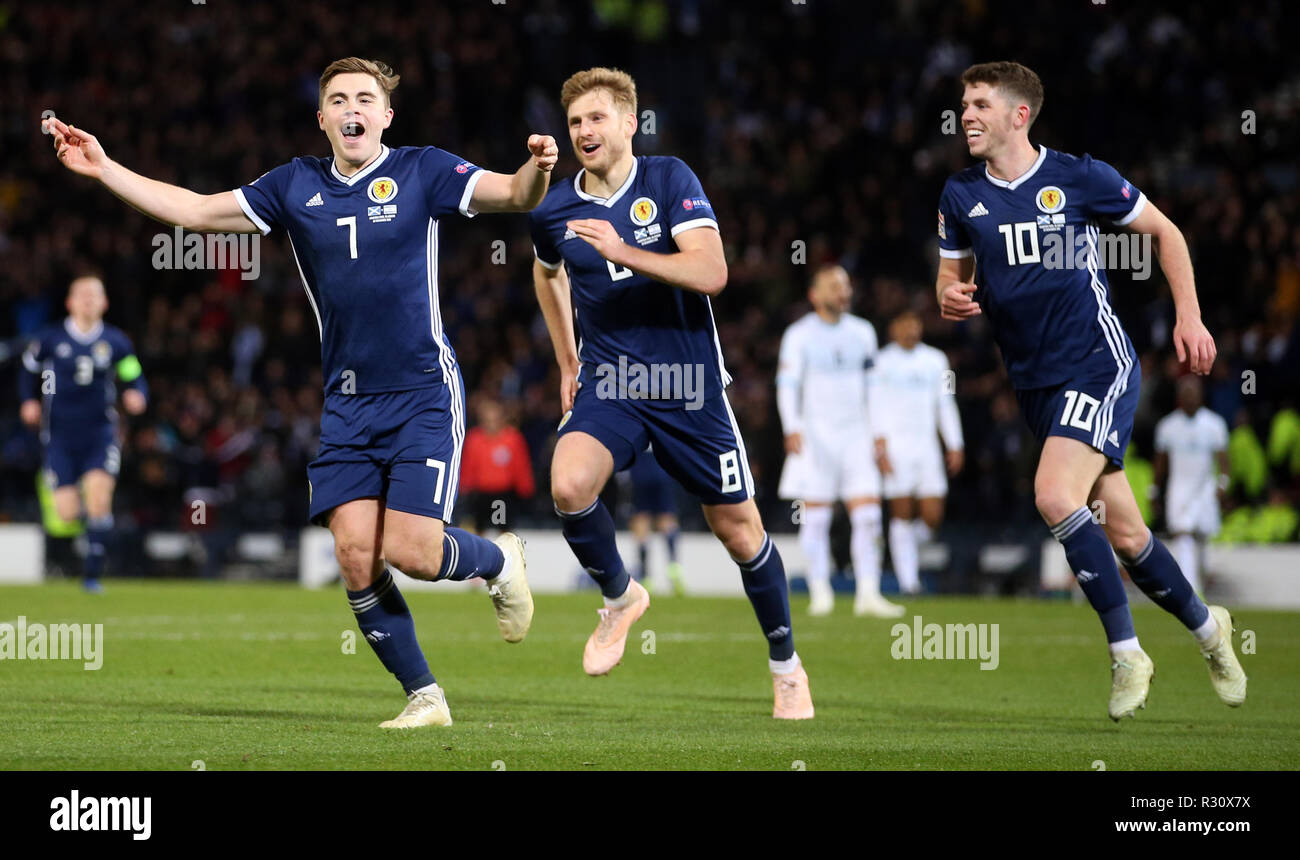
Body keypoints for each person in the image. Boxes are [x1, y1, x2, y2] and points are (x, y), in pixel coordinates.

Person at [45, 56, 560, 729]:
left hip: (421, 392)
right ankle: (424, 696)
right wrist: (104, 167)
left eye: (365, 98)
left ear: (385, 116)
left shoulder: (422, 171)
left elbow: (515, 196)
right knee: (352, 553)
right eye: (338, 98)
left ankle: (498, 558)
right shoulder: (295, 184)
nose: (352, 108)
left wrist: (540, 168)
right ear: (321, 118)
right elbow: (198, 213)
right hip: (347, 402)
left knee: (411, 552)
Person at [935, 61, 1245, 720]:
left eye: (981, 104)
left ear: (1021, 115)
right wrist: (950, 296)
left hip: (1097, 364)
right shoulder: (960, 195)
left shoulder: (1079, 177)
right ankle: (1209, 631)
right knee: (1128, 535)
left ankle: (1127, 651)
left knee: (1053, 493)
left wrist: (1188, 315)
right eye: (964, 104)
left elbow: (1166, 232)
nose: (967, 115)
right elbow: (948, 280)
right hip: (1034, 383)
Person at [531, 67, 813, 719]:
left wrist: (625, 250)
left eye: (597, 118)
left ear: (630, 123)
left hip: (688, 385)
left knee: (739, 532)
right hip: (613, 381)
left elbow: (712, 272)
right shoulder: (553, 207)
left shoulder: (669, 179)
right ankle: (622, 597)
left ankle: (787, 668)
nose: (584, 131)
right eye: (575, 122)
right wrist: (568, 357)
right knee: (569, 486)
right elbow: (547, 276)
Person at [776, 264, 900, 618]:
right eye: (834, 285)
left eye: (846, 285)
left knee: (869, 516)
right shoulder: (799, 335)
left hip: (857, 436)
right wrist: (792, 427)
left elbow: (874, 388)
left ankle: (868, 593)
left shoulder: (863, 332)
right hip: (816, 436)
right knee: (815, 519)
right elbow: (787, 386)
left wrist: (879, 435)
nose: (843, 291)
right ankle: (820, 592)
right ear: (815, 295)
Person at [19, 275, 147, 592]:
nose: (89, 300)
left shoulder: (116, 342)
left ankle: (91, 576)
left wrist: (136, 394)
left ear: (104, 303)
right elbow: (27, 371)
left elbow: (134, 375)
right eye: (83, 295)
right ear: (70, 303)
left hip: (99, 433)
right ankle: (84, 544)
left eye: (95, 295)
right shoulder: (50, 339)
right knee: (67, 512)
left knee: (100, 499)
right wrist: (28, 401)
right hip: (59, 436)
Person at [870, 310, 965, 595]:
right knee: (901, 513)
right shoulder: (880, 362)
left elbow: (946, 402)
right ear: (893, 329)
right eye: (904, 324)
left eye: (915, 324)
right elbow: (874, 404)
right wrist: (879, 444)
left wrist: (955, 443)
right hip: (896, 446)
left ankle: (903, 549)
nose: (910, 330)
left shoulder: (938, 361)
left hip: (927, 447)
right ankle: (908, 582)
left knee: (932, 516)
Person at [1153, 376, 1230, 594]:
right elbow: (1160, 463)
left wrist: (1222, 485)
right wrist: (1154, 490)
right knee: (1182, 533)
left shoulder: (1214, 424)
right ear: (1180, 397)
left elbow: (1224, 461)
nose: (1190, 398)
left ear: (1200, 396)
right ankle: (1190, 589)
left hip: (1206, 490)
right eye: (1186, 393)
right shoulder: (1167, 426)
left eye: (1193, 393)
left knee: (1202, 537)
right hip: (1179, 489)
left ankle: (1201, 580)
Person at [458, 397, 535, 533]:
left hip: (502, 496)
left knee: (503, 530)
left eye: (494, 419)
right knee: (476, 531)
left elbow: (520, 466)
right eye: (487, 420)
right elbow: (468, 466)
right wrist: (463, 489)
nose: (491, 424)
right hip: (479, 495)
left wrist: (525, 489)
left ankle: (503, 553)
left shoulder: (512, 438)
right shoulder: (474, 439)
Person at [624, 447, 685, 596]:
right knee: (666, 517)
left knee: (641, 519)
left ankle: (646, 578)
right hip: (661, 464)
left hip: (639, 466)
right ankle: (673, 567)